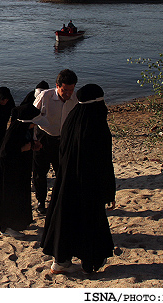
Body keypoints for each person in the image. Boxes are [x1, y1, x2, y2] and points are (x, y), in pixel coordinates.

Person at [41, 84, 116, 275]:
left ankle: (61, 261)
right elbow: (104, 162)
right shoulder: (96, 124)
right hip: (88, 185)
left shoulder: (71, 119)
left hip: (66, 182)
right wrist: (109, 191)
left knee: (66, 221)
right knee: (90, 223)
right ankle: (90, 261)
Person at [0, 103, 42, 238]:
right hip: (10, 174)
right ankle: (6, 226)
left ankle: (20, 222)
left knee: (21, 196)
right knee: (10, 198)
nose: (35, 125)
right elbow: (4, 153)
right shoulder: (15, 131)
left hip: (21, 171)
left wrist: (33, 146)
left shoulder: (26, 130)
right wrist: (21, 149)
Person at [32, 69, 78, 214]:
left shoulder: (75, 99)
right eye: (65, 90)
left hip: (62, 140)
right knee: (40, 173)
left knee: (63, 172)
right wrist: (33, 140)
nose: (68, 94)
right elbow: (31, 118)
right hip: (43, 138)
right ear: (57, 86)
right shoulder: (45, 96)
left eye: (71, 90)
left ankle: (60, 200)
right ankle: (41, 201)